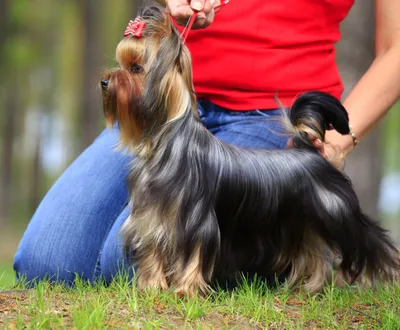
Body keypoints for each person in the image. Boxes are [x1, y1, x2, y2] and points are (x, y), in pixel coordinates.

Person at [14, 0, 400, 285]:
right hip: (161, 108)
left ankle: (304, 253)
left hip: (270, 112)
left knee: (136, 264)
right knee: (44, 263)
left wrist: (341, 137)